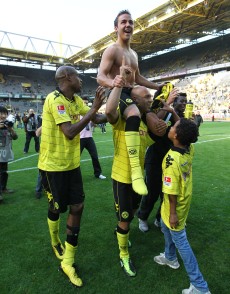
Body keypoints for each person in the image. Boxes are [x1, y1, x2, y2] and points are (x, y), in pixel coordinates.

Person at [38, 65, 106, 287]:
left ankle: (68, 261)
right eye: (78, 76)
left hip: (72, 165)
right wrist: (93, 108)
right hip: (53, 167)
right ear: (67, 77)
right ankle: (55, 240)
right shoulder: (54, 99)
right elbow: (68, 132)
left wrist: (118, 98)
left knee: (77, 207)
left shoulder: (76, 100)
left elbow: (97, 118)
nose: (81, 80)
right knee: (57, 208)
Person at [105, 62, 170, 277]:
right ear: (134, 100)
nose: (150, 101)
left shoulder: (142, 124)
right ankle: (123, 254)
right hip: (121, 177)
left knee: (130, 214)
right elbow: (110, 113)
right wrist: (117, 84)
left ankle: (121, 232)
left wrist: (165, 107)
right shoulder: (122, 121)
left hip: (137, 179)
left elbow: (158, 131)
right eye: (147, 98)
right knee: (124, 218)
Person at [97, 9, 164, 196]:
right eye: (123, 22)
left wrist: (157, 86)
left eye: (131, 22)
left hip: (131, 92)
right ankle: (136, 172)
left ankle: (148, 158)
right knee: (134, 114)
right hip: (117, 93)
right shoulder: (112, 49)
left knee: (155, 116)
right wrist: (115, 81)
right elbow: (100, 76)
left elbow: (138, 77)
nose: (128, 25)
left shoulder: (133, 53)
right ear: (116, 28)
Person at [154, 118, 211, 294]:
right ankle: (170, 258)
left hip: (175, 206)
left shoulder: (171, 159)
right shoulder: (189, 148)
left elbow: (170, 191)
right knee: (164, 227)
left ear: (177, 135)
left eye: (174, 127)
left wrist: (172, 213)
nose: (170, 127)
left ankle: (200, 286)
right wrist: (173, 112)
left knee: (181, 242)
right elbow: (186, 130)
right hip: (184, 202)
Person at [138, 92, 187, 232]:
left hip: (172, 161)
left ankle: (160, 218)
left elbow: (185, 132)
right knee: (152, 191)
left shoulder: (182, 117)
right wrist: (166, 109)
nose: (184, 104)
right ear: (173, 102)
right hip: (155, 158)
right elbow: (152, 124)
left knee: (168, 192)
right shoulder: (163, 113)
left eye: (185, 101)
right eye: (181, 101)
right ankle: (142, 216)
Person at [0, 107, 18, 202]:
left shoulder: (7, 125)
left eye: (5, 113)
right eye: (1, 113)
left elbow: (15, 137)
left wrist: (11, 129)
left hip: (5, 153)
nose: (3, 115)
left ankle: (3, 188)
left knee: (4, 172)